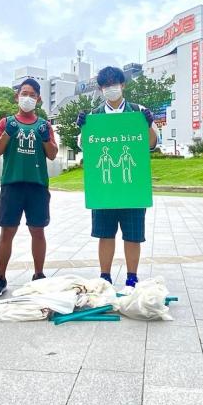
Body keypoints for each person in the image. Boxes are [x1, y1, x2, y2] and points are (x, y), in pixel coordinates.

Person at [75, 66, 157, 288]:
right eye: (106, 85)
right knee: (105, 234)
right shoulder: (93, 116)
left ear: (123, 85)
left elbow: (151, 144)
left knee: (133, 235)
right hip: (104, 188)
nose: (111, 88)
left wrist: (148, 124)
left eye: (114, 83)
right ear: (100, 88)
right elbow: (84, 146)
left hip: (133, 188)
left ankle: (132, 276)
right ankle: (105, 276)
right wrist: (83, 127)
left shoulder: (139, 111)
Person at [0, 79, 58, 297]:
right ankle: (0, 277)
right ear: (17, 96)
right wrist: (7, 133)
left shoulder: (44, 125)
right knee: (7, 231)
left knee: (38, 230)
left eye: (32, 95)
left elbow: (52, 154)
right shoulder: (6, 122)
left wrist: (46, 139)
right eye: (24, 93)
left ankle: (39, 275)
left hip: (37, 184)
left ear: (38, 99)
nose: (28, 98)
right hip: (12, 183)